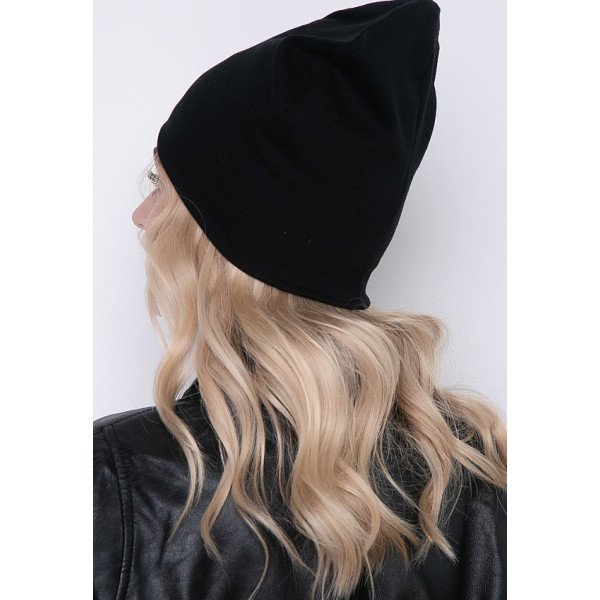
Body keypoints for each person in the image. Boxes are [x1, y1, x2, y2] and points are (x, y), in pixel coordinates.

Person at [94, 1, 507, 599]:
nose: (142, 215)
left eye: (161, 185)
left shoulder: (116, 485)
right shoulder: (474, 479)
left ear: (223, 234)